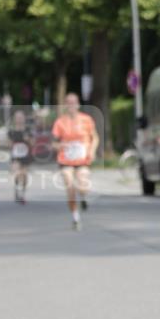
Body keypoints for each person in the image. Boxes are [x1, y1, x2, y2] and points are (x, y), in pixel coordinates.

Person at [51, 93, 99, 230]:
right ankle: (75, 217)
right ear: (65, 105)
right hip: (66, 159)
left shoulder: (87, 120)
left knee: (83, 184)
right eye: (68, 102)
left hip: (82, 158)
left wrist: (92, 151)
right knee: (69, 186)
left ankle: (83, 197)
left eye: (74, 102)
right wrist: (60, 146)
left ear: (78, 104)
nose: (71, 105)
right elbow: (53, 143)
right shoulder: (60, 122)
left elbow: (95, 138)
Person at [8, 109, 32, 204]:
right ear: (14, 119)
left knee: (24, 176)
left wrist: (28, 139)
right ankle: (18, 190)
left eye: (21, 117)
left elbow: (32, 142)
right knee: (17, 173)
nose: (19, 119)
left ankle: (22, 193)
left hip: (26, 156)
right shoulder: (11, 131)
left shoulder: (28, 130)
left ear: (24, 119)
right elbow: (8, 145)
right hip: (15, 156)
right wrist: (12, 143)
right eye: (17, 118)